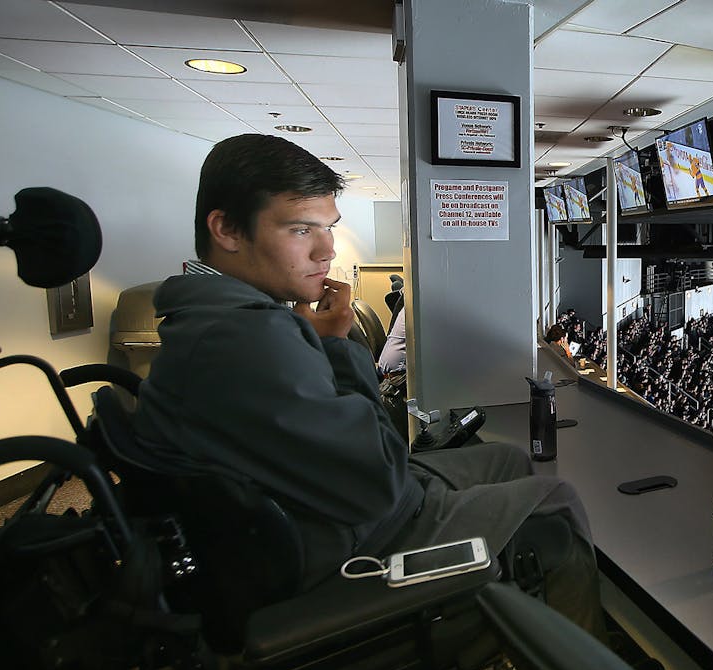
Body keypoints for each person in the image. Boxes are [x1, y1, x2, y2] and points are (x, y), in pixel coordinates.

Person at [132, 133, 604, 638]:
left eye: (328, 228)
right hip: (348, 538)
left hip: (315, 511)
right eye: (300, 229)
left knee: (508, 460)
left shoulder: (209, 315)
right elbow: (381, 481)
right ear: (226, 228)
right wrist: (339, 347)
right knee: (556, 500)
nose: (326, 250)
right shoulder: (249, 336)